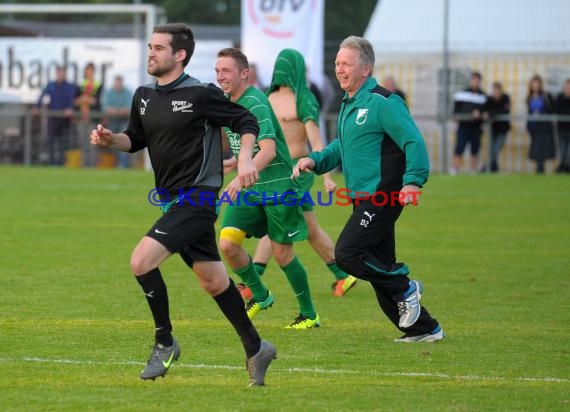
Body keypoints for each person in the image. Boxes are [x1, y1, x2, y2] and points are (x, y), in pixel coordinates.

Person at [89, 23, 276, 386]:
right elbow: (136, 139)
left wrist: (247, 159)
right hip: (171, 203)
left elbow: (245, 120)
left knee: (141, 261)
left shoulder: (200, 94)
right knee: (213, 281)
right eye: (150, 46)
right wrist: (112, 140)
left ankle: (164, 342)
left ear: (180, 55)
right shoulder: (143, 95)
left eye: (159, 48)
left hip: (199, 198)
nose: (151, 53)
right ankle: (256, 347)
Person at [293, 36, 444, 343]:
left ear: (366, 68)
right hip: (361, 197)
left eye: (346, 63)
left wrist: (413, 180)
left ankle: (406, 287)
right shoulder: (351, 103)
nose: (339, 69)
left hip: (383, 195)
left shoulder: (383, 102)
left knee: (347, 254)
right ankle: (425, 329)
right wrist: (316, 159)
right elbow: (343, 147)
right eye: (337, 63)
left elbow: (413, 140)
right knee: (379, 267)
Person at [215, 47, 320, 329]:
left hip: (277, 187)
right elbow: (251, 146)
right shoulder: (227, 102)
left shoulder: (256, 102)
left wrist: (240, 176)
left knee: (284, 254)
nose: (220, 76)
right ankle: (261, 295)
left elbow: (269, 150)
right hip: (251, 187)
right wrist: (234, 162)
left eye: (226, 70)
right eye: (217, 71)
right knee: (227, 243)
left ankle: (310, 314)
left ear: (244, 73)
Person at [250, 48, 357, 297]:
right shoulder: (265, 97)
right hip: (273, 171)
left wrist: (327, 176)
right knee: (310, 228)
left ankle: (252, 280)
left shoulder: (304, 98)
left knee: (273, 220)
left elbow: (317, 142)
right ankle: (344, 275)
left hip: (298, 171)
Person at [33, 65, 78, 165]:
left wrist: (70, 109)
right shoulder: (51, 85)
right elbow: (42, 95)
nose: (60, 75)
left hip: (65, 119)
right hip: (53, 118)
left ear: (65, 74)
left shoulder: (70, 86)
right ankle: (52, 163)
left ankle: (62, 163)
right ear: (56, 73)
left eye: (62, 73)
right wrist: (37, 107)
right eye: (59, 72)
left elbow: (72, 100)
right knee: (51, 142)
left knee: (64, 143)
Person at [451, 72, 487, 174]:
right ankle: (455, 169)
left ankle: (473, 170)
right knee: (459, 147)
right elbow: (456, 111)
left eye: (477, 80)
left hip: (476, 127)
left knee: (474, 149)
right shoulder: (461, 94)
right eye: (474, 80)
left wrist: (482, 114)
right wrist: (470, 114)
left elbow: (486, 111)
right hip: (463, 126)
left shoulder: (483, 96)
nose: (475, 82)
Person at [101, 75, 133, 168]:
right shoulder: (108, 93)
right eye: (117, 83)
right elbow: (106, 109)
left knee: (124, 141)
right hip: (111, 123)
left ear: (122, 83)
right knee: (112, 144)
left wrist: (114, 111)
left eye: (120, 83)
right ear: (114, 83)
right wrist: (120, 111)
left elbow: (129, 109)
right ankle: (116, 164)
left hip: (125, 122)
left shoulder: (128, 93)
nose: (118, 85)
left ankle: (123, 166)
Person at [526, 74, 555, 174]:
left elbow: (551, 110)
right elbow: (529, 112)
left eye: (537, 83)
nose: (536, 85)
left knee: (543, 149)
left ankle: (540, 170)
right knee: (536, 149)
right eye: (534, 83)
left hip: (544, 127)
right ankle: (539, 169)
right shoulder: (529, 97)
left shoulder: (546, 96)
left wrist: (541, 113)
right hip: (534, 127)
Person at [76, 62, 103, 167]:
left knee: (93, 144)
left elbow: (96, 102)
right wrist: (86, 99)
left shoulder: (98, 85)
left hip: (93, 120)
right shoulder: (80, 86)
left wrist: (84, 99)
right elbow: (75, 101)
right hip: (81, 119)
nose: (89, 73)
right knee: (83, 144)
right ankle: (84, 165)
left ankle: (93, 165)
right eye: (88, 70)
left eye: (91, 71)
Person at [485, 82, 511, 172]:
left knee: (496, 148)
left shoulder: (505, 98)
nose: (496, 92)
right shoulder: (489, 99)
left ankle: (487, 166)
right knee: (492, 149)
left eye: (497, 90)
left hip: (502, 129)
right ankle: (494, 167)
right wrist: (493, 113)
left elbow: (504, 111)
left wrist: (492, 113)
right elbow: (486, 110)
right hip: (492, 128)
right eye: (494, 90)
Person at [555, 78, 570, 173]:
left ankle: (566, 167)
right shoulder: (560, 97)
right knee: (562, 149)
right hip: (561, 128)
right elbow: (557, 110)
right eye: (567, 87)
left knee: (569, 151)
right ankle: (563, 167)